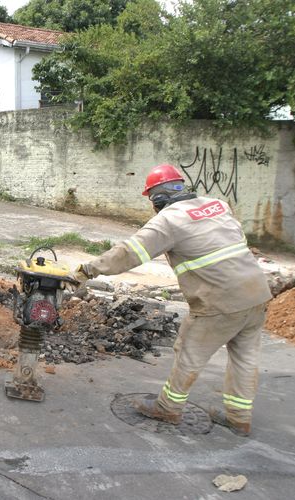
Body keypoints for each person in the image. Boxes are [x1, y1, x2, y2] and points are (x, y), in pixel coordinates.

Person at [75, 164, 271, 436]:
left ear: (156, 199)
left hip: (219, 300)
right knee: (245, 357)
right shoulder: (218, 205)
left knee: (189, 352)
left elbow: (129, 253)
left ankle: (167, 408)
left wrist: (88, 269)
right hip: (256, 292)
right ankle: (239, 418)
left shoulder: (169, 220)